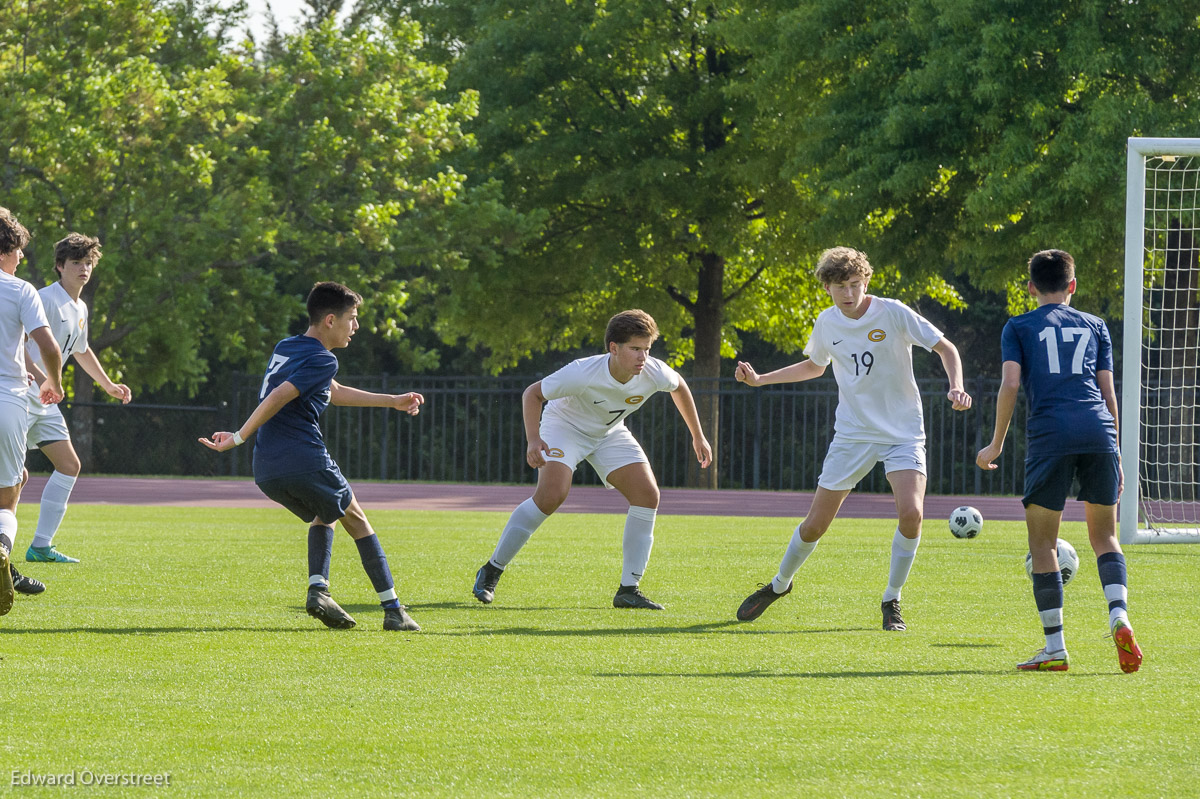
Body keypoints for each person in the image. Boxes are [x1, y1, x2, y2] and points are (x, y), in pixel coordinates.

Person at [734, 247, 972, 631]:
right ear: (826, 287)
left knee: (911, 515)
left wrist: (956, 386)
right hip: (853, 435)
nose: (849, 293)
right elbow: (815, 365)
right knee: (814, 525)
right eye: (840, 286)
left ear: (867, 282)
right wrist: (761, 379)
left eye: (855, 284)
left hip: (902, 432)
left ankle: (891, 598)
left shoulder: (893, 311)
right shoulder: (827, 323)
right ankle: (779, 585)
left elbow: (946, 348)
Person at [200, 282, 425, 632]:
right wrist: (238, 437)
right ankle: (393, 610)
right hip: (303, 458)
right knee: (357, 518)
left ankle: (319, 589)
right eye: (352, 318)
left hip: (267, 469)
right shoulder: (324, 358)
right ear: (331, 320)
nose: (356, 326)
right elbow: (279, 395)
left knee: (327, 512)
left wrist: (392, 400)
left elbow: (333, 393)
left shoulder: (289, 347)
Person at [471, 309, 713, 610]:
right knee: (551, 495)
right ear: (614, 348)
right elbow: (532, 394)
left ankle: (628, 589)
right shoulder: (582, 372)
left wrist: (698, 436)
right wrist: (534, 439)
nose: (643, 357)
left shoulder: (653, 371)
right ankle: (492, 569)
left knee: (647, 495)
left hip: (609, 433)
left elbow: (679, 387)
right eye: (635, 349)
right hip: (565, 428)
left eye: (647, 349)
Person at [976, 249, 1142, 673]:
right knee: (1105, 537)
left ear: (1030, 287)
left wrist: (996, 443)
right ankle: (1119, 615)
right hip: (1099, 432)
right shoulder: (1097, 326)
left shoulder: (1017, 326)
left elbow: (1011, 383)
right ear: (1072, 286)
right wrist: (1117, 453)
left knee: (1043, 544)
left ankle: (1054, 648)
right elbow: (1108, 393)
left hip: (1052, 436)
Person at [20, 233, 131, 567]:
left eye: (88, 263)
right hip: (20, 395)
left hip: (45, 399)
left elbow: (81, 350)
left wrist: (109, 384)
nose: (84, 269)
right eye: (76, 263)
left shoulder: (80, 306)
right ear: (59, 266)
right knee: (12, 475)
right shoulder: (44, 299)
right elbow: (11, 344)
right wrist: (43, 379)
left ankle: (41, 546)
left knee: (69, 466)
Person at [0, 207, 65, 617]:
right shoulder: (20, 290)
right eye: (19, 249)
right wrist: (54, 383)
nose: (22, 257)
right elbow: (48, 346)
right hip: (7, 401)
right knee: (9, 496)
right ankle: (3, 550)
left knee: (18, 477)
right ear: (5, 249)